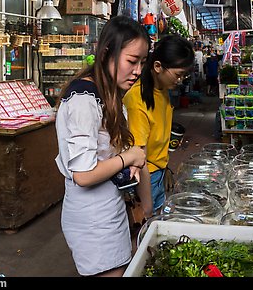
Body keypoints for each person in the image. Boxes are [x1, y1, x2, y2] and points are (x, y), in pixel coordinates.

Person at [54, 15, 149, 277]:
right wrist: (129, 157)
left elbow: (106, 153)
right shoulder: (84, 99)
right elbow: (84, 175)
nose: (138, 71)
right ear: (107, 52)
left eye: (142, 62)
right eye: (131, 61)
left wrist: (129, 163)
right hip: (93, 219)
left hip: (108, 208)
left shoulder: (106, 94)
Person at [123, 34, 195, 218]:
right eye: (178, 75)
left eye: (184, 75)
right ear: (157, 67)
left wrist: (165, 166)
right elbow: (139, 158)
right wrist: (146, 202)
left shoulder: (162, 89)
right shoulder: (137, 99)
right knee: (150, 225)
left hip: (158, 171)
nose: (180, 80)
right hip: (147, 176)